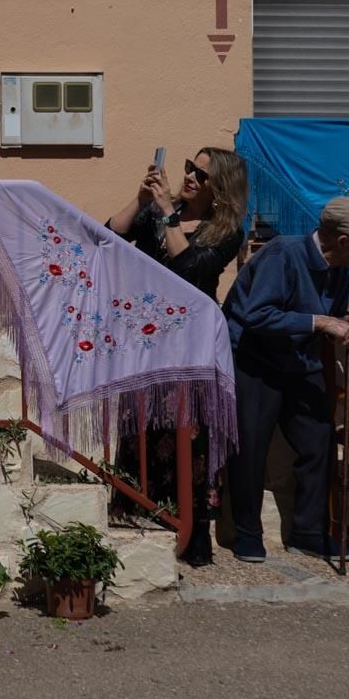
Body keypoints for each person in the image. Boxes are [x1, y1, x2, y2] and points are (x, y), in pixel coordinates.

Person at [221, 196, 349, 564]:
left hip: (300, 362)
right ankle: (246, 534)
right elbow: (257, 316)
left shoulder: (339, 267)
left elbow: (331, 312)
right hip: (255, 359)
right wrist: (321, 322)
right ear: (342, 240)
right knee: (250, 447)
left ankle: (309, 531)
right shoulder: (283, 253)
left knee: (319, 440)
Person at [103, 148, 249, 565]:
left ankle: (191, 531)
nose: (190, 178)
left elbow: (191, 272)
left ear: (219, 189)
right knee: (143, 429)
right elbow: (110, 236)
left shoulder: (226, 231)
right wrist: (143, 199)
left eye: (201, 175)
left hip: (192, 348)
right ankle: (136, 518)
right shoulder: (157, 213)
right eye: (189, 168)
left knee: (190, 438)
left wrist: (168, 211)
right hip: (149, 341)